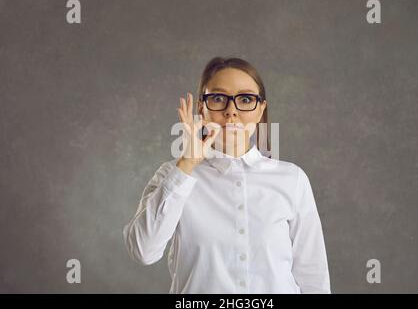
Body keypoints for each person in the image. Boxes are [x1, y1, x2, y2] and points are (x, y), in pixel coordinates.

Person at [123, 57, 331, 293]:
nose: (231, 111)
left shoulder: (292, 179)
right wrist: (188, 163)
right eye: (219, 98)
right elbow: (143, 251)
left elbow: (313, 276)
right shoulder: (174, 175)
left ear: (261, 109)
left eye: (245, 99)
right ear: (202, 107)